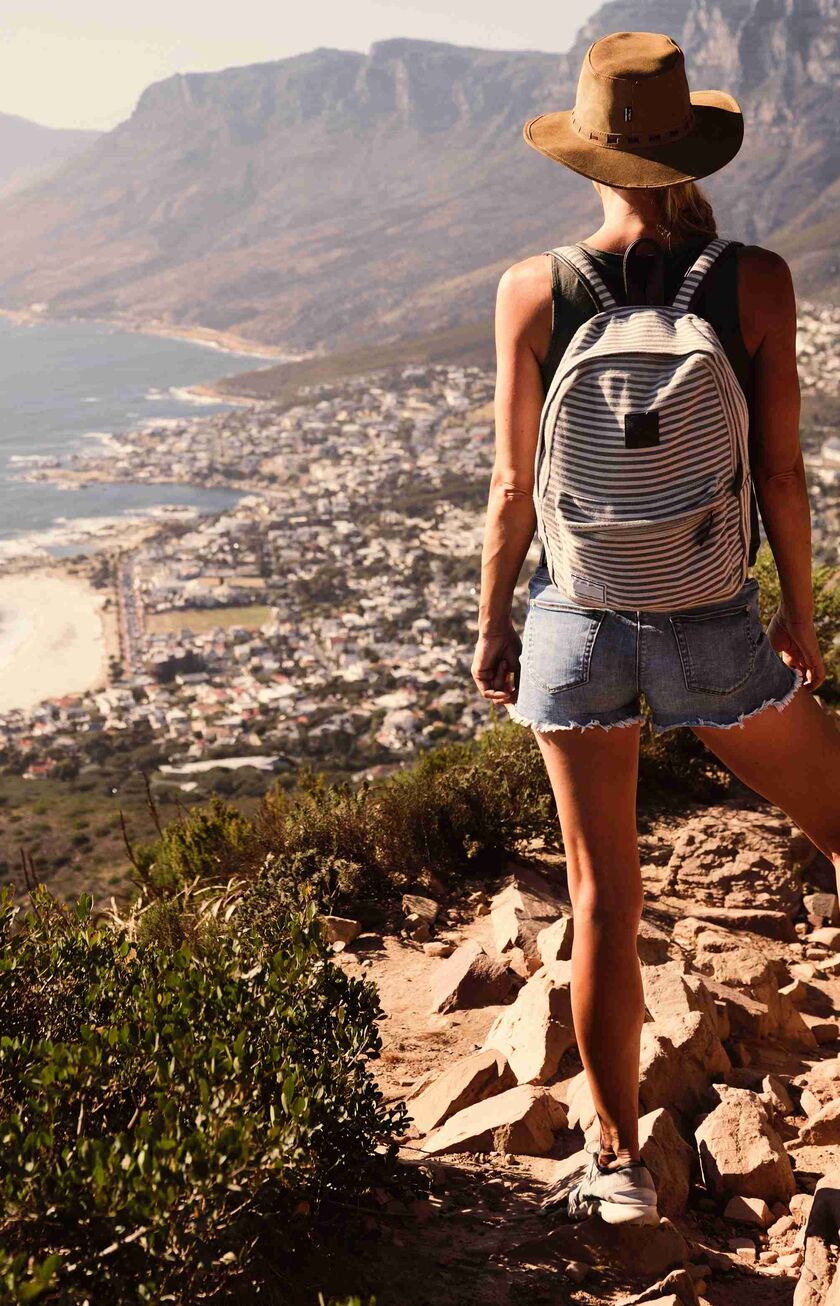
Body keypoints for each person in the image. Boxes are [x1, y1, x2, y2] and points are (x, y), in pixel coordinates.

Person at [471, 30, 840, 1226]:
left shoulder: (532, 288)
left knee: (603, 900)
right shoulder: (760, 280)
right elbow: (781, 473)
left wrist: (494, 632)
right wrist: (798, 609)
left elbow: (512, 491)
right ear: (689, 144)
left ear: (588, 155)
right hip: (711, 623)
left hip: (578, 623)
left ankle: (618, 1162)